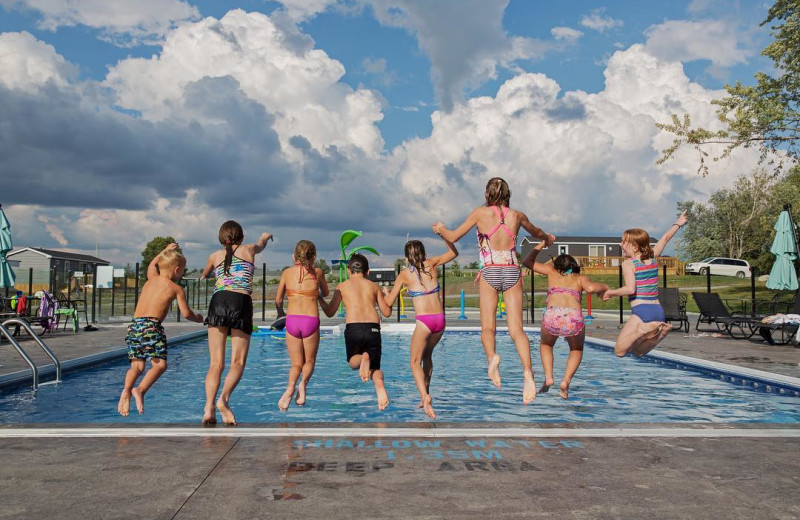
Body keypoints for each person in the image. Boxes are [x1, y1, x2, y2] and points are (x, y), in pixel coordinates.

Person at [433, 177, 554, 404]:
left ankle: (492, 358)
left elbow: (453, 236)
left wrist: (440, 229)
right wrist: (547, 239)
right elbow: (537, 232)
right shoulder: (517, 215)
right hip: (511, 270)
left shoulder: (480, 213)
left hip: (490, 270)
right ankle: (528, 372)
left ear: (487, 194)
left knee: (488, 328)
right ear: (508, 195)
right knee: (517, 329)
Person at [118, 243, 203, 417]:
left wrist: (163, 250)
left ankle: (126, 390)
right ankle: (140, 390)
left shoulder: (151, 278)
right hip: (151, 327)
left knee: (137, 366)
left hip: (134, 326)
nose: (183, 274)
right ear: (177, 269)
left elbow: (151, 265)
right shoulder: (176, 288)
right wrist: (198, 318)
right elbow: (186, 313)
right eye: (183, 270)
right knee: (160, 365)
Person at [201, 221, 272, 425]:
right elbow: (260, 245)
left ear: (221, 238)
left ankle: (209, 408)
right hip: (240, 301)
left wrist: (206, 275)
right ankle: (223, 399)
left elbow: (205, 274)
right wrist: (265, 237)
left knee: (216, 363)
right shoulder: (249, 249)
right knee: (237, 362)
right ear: (240, 237)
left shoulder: (214, 256)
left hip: (218, 301)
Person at [522, 241, 609, 399]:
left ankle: (549, 377)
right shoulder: (580, 278)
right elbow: (590, 289)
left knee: (546, 344)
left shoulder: (551, 271)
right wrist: (604, 287)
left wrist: (541, 244)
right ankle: (565, 382)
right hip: (573, 317)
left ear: (557, 266)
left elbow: (527, 262)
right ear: (574, 266)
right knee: (576, 349)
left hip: (552, 315)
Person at [382, 236, 457, 419]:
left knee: (414, 362)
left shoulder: (404, 275)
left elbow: (388, 307)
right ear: (423, 253)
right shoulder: (432, 263)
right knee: (427, 356)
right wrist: (444, 235)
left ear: (406, 258)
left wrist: (384, 293)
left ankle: (425, 397)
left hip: (424, 321)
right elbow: (454, 252)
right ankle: (426, 394)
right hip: (440, 320)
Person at [602, 211, 688, 357]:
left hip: (642, 311)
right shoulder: (653, 256)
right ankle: (661, 334)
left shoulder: (629, 264)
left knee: (619, 351)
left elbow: (630, 289)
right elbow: (666, 238)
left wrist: (611, 292)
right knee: (637, 352)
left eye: (624, 242)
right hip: (658, 311)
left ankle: (642, 330)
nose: (620, 244)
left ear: (635, 247)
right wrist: (678, 223)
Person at [318, 254, 393, 410]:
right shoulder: (374, 286)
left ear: (348, 270)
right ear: (368, 271)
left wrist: (319, 298)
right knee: (376, 369)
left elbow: (330, 312)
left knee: (353, 362)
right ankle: (379, 383)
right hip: (373, 328)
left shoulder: (342, 286)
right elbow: (386, 312)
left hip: (353, 328)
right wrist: (386, 295)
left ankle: (362, 358)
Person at [275, 240, 329, 411]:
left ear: (294, 255)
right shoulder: (318, 272)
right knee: (310, 361)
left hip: (292, 321)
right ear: (313, 256)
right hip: (310, 320)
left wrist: (281, 314)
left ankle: (290, 387)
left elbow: (278, 300)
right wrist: (315, 293)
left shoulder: (286, 273)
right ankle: (303, 385)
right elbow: (326, 293)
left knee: (295, 364)